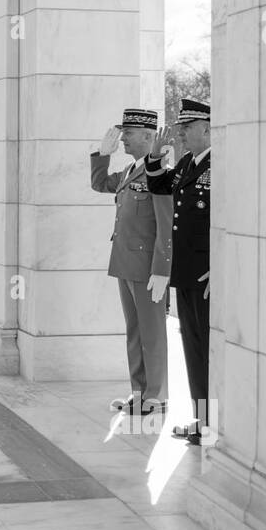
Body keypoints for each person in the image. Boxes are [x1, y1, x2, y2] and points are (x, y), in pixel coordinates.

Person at [90, 108, 172, 416]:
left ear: (149, 137)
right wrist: (102, 154)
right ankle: (138, 391)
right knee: (135, 330)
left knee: (153, 331)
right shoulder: (128, 172)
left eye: (130, 133)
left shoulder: (159, 172)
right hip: (125, 262)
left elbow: (165, 224)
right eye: (123, 132)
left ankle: (157, 394)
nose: (123, 137)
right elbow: (99, 184)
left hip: (148, 267)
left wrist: (162, 269)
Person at [147, 99, 212, 445]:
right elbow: (159, 186)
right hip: (185, 274)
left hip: (206, 278)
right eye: (181, 130)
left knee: (207, 352)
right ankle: (203, 421)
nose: (182, 136)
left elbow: (231, 222)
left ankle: (214, 423)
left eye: (186, 130)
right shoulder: (188, 163)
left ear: (206, 128)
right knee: (192, 348)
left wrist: (220, 267)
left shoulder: (219, 165)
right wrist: (156, 158)